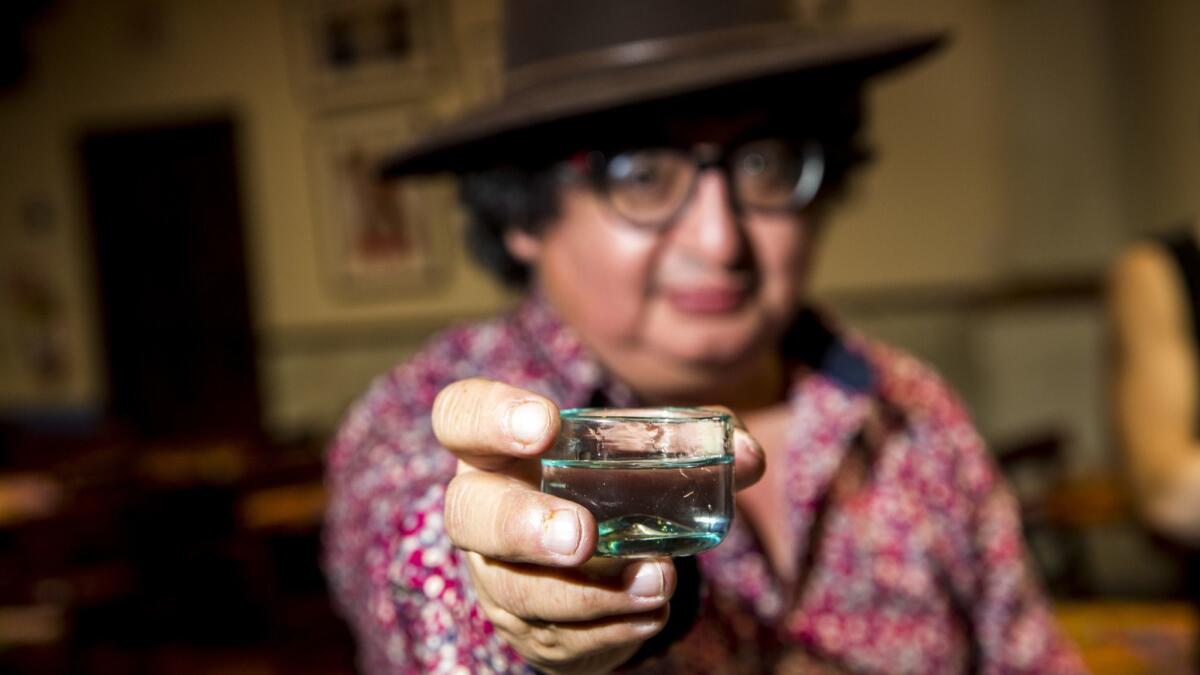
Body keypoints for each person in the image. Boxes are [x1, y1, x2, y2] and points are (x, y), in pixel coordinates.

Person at [323, 1, 1085, 673]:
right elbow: (426, 573)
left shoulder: (911, 412)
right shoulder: (410, 419)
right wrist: (529, 596)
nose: (721, 239)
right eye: (643, 174)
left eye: (763, 163)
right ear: (524, 210)